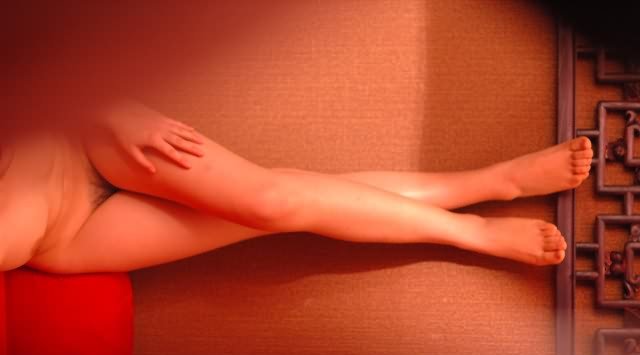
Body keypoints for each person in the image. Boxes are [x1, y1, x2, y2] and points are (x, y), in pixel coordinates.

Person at [0, 100, 591, 273]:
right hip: (65, 240)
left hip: (85, 142)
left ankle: (473, 230)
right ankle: (491, 183)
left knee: (271, 201)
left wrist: (107, 111)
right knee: (289, 206)